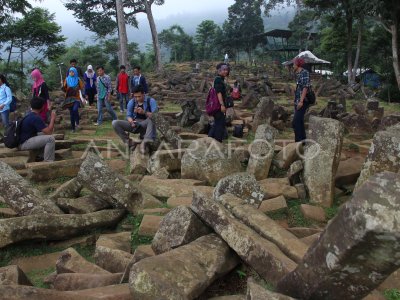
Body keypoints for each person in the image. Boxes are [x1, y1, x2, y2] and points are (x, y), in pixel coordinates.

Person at [112, 85, 157, 153]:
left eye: (139, 96)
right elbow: (128, 115)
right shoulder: (132, 102)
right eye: (135, 97)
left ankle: (145, 142)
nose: (137, 99)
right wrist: (131, 121)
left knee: (152, 119)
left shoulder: (151, 101)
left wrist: (144, 112)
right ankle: (130, 142)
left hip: (147, 124)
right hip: (136, 124)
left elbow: (156, 116)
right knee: (115, 123)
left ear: (143, 94)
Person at [19, 97, 56, 162]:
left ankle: (40, 156)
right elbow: (49, 132)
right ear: (42, 107)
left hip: (22, 141)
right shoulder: (36, 118)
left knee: (43, 134)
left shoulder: (29, 115)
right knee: (50, 139)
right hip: (24, 144)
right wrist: (52, 118)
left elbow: (45, 131)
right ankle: (48, 162)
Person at [208, 63, 229, 143]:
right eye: (223, 69)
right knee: (220, 124)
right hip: (218, 106)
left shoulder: (221, 79)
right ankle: (217, 141)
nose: (225, 71)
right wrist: (222, 105)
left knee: (217, 123)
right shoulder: (218, 79)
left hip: (218, 105)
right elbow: (218, 93)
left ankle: (209, 139)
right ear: (219, 70)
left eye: (226, 69)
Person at [292, 57, 310, 143]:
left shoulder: (304, 73)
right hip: (297, 100)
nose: (293, 65)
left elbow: (305, 87)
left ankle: (298, 142)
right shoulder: (298, 74)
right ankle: (303, 141)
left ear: (297, 64)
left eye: (294, 64)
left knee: (296, 121)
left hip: (302, 101)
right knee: (299, 121)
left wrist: (301, 101)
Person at [63, 67, 84, 133]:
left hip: (76, 98)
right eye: (70, 72)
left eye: (72, 72)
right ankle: (73, 128)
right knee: (71, 114)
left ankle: (77, 122)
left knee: (75, 109)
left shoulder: (78, 79)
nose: (71, 73)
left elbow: (82, 87)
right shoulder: (66, 79)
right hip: (69, 99)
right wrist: (63, 86)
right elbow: (64, 89)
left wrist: (83, 96)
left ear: (75, 72)